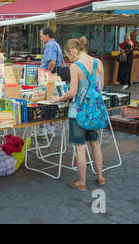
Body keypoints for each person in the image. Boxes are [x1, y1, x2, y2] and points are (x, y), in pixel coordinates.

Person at [50, 37, 106, 191]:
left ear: (73, 51)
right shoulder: (98, 63)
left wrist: (59, 98)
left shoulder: (75, 67)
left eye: (68, 56)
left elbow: (72, 92)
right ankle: (100, 177)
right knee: (95, 144)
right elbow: (100, 87)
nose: (69, 59)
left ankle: (82, 182)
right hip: (93, 111)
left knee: (80, 148)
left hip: (78, 113)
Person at [38, 26, 64, 137]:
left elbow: (52, 62)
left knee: (44, 101)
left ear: (47, 35)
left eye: (41, 35)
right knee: (51, 102)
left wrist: (46, 75)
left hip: (49, 77)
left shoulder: (50, 45)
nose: (40, 38)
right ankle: (50, 130)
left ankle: (43, 131)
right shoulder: (56, 44)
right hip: (55, 76)